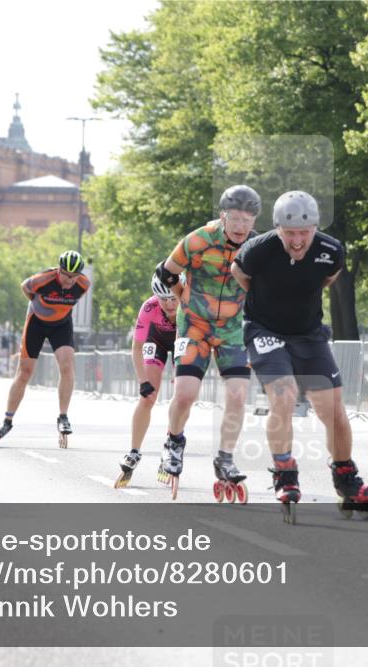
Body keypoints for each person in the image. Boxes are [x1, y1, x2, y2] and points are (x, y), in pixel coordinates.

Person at [231, 190, 368, 522]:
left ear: (315, 227)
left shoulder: (331, 251)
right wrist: (265, 303)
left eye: (304, 232)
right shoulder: (258, 250)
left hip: (309, 333)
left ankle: (345, 477)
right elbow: (239, 274)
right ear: (277, 228)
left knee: (333, 406)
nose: (298, 240)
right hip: (264, 330)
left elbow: (328, 279)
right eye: (290, 233)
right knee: (284, 395)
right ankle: (285, 472)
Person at [151, 185, 260, 498]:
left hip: (233, 329)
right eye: (235, 219)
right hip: (195, 325)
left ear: (254, 222)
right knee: (185, 394)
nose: (241, 226)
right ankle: (173, 441)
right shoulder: (198, 239)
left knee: (238, 396)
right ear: (223, 216)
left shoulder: (258, 246)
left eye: (247, 220)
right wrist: (184, 300)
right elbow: (166, 272)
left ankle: (225, 457)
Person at [0, 250, 91, 448]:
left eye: (73, 276)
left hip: (61, 325)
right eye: (65, 275)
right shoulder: (42, 280)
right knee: (25, 372)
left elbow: (73, 296)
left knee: (67, 367)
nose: (69, 281)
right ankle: (7, 421)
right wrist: (37, 305)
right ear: (58, 270)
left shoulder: (84, 284)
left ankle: (63, 417)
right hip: (36, 322)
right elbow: (25, 288)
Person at [114, 274, 183, 488]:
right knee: (147, 397)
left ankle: (171, 444)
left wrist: (180, 373)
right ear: (156, 297)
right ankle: (134, 452)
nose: (170, 305)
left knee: (182, 397)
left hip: (183, 339)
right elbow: (136, 348)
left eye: (173, 299)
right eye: (164, 299)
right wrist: (143, 381)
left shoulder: (190, 303)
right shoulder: (149, 308)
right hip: (157, 341)